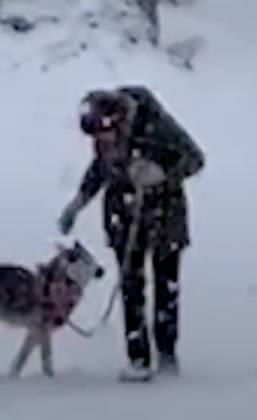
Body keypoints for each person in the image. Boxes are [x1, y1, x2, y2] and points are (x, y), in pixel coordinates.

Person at [58, 85, 205, 382]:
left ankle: (166, 355)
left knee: (166, 286)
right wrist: (77, 204)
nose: (101, 143)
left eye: (105, 135)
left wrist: (160, 174)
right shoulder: (104, 141)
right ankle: (137, 358)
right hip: (123, 218)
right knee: (130, 286)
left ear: (119, 120)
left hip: (165, 216)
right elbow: (99, 170)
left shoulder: (156, 125)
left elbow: (194, 159)